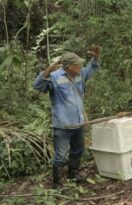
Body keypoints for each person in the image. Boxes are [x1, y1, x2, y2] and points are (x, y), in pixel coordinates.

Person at [33, 47, 101, 189]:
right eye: (78, 64)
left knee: (78, 150)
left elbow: (91, 69)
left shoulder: (80, 74)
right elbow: (38, 86)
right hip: (63, 124)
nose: (81, 66)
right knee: (61, 155)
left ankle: (73, 174)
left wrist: (96, 57)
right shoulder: (55, 76)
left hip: (78, 122)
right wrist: (47, 71)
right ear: (70, 66)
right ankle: (57, 183)